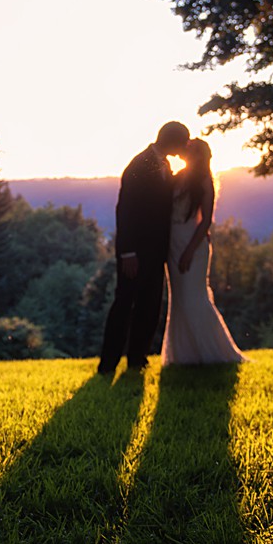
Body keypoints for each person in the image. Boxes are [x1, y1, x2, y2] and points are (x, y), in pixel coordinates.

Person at [98, 121, 189, 376]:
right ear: (172, 141)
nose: (183, 147)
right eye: (183, 142)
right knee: (124, 305)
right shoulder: (139, 164)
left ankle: (137, 359)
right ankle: (108, 364)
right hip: (135, 253)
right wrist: (128, 252)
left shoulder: (166, 164)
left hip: (157, 250)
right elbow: (125, 209)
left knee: (149, 306)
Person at [162, 138, 249, 365]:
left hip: (192, 243)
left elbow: (206, 221)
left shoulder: (204, 181)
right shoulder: (179, 177)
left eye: (189, 149)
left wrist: (190, 250)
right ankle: (184, 355)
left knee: (194, 298)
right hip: (173, 243)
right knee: (178, 299)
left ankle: (215, 353)